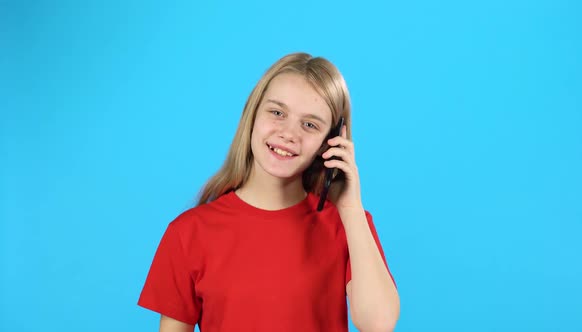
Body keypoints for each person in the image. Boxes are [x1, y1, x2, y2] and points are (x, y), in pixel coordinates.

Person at [138, 52, 400, 332]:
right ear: (252, 115)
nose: (289, 133)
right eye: (277, 113)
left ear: (330, 143)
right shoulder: (189, 233)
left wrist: (350, 208)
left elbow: (378, 324)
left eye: (310, 124)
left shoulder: (348, 224)